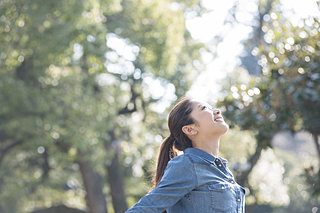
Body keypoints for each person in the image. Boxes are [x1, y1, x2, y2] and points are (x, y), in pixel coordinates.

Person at [126, 97, 246, 213]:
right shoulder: (188, 164)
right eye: (204, 108)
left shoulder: (223, 171)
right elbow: (146, 207)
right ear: (190, 129)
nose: (217, 111)